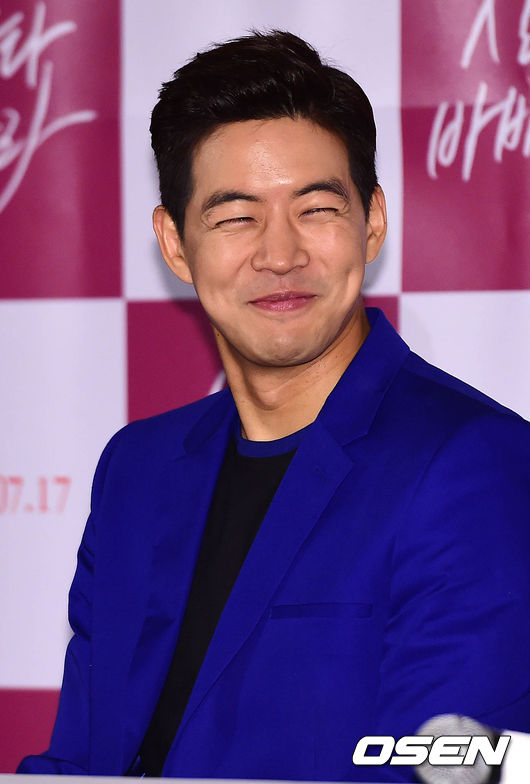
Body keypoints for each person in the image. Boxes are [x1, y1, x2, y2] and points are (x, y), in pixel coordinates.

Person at [18, 30, 530, 782]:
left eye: (316, 208)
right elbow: (78, 763)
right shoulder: (137, 469)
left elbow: (448, 768)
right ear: (175, 243)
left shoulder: (476, 466)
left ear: (372, 222)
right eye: (236, 217)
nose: (281, 254)